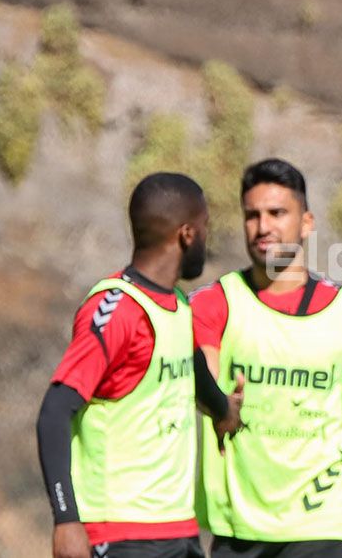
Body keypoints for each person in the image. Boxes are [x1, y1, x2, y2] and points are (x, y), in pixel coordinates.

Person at [191, 158, 342, 558]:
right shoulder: (216, 303)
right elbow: (205, 378)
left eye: (277, 213)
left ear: (306, 223)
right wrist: (219, 403)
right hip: (239, 528)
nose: (263, 226)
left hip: (323, 522)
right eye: (252, 215)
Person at [36, 173, 243, 558]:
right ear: (186, 235)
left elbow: (193, 372)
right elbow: (55, 410)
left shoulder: (178, 306)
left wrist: (223, 410)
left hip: (178, 531)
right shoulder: (116, 309)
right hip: (121, 535)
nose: (205, 238)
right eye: (204, 228)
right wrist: (66, 521)